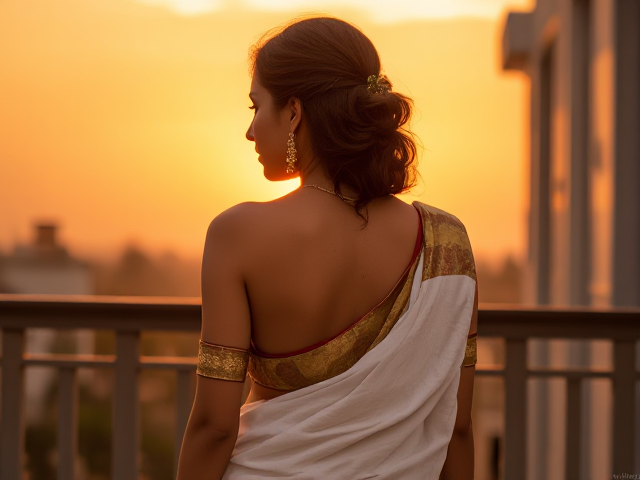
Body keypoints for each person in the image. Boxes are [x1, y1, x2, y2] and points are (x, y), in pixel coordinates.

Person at [176, 16, 477, 480]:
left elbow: (215, 427)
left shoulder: (238, 233)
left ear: (294, 112)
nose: (250, 131)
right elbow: (456, 429)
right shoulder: (447, 241)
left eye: (256, 106)